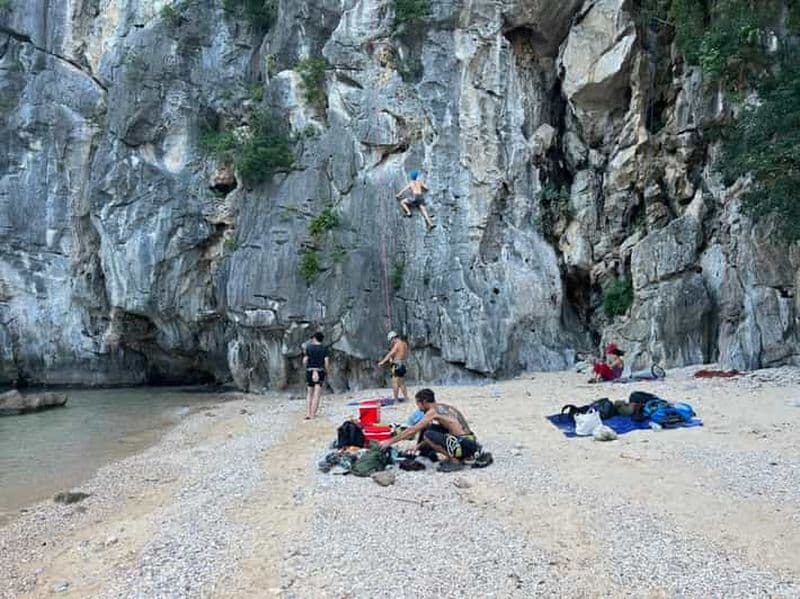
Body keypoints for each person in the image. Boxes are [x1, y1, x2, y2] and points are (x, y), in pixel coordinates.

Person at [380, 388, 479, 472]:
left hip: (465, 446)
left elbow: (412, 430)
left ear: (424, 402)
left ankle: (455, 461)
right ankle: (426, 454)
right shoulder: (444, 407)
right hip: (470, 443)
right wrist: (418, 446)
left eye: (418, 404)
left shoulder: (433, 412)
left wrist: (389, 442)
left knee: (428, 434)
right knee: (430, 428)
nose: (419, 408)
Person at [303, 332, 330, 419]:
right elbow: (326, 362)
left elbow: (305, 360)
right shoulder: (324, 348)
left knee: (309, 393)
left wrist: (307, 367)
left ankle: (308, 413)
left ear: (315, 338)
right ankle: (313, 414)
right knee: (316, 394)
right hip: (320, 371)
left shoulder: (309, 348)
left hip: (310, 371)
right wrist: (327, 371)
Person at [377, 331, 409, 402]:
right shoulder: (404, 344)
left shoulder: (397, 344)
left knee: (395, 382)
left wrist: (382, 362)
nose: (391, 342)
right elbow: (405, 354)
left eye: (391, 340)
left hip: (396, 365)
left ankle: (396, 400)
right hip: (402, 364)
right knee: (402, 382)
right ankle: (406, 398)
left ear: (393, 338)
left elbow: (390, 354)